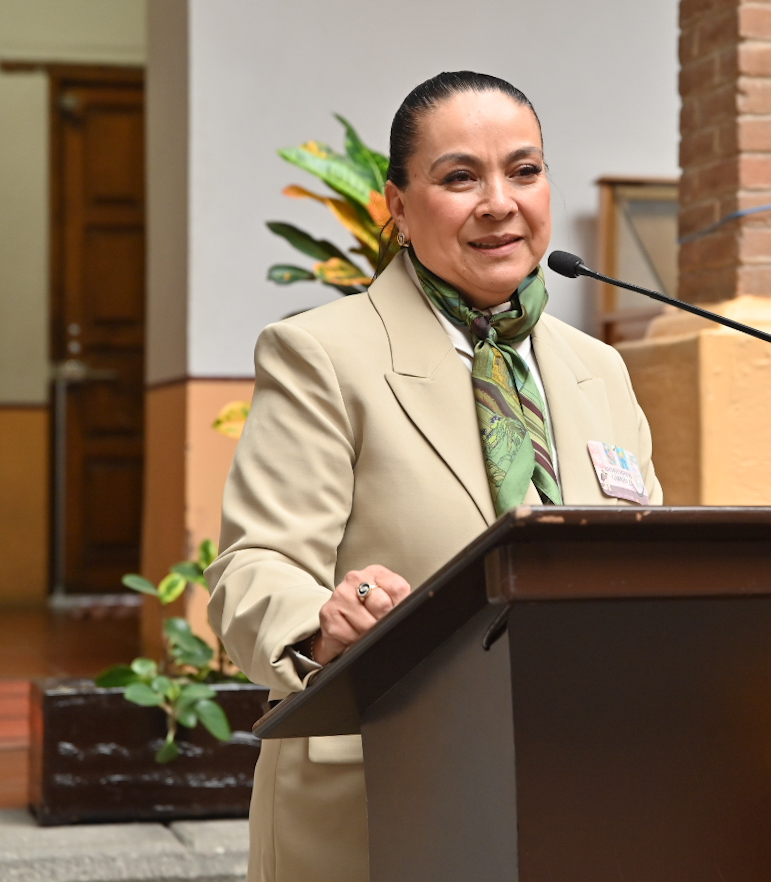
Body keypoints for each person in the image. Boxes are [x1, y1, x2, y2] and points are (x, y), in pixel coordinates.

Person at [207, 71, 662, 882]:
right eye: (459, 178)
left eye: (524, 171)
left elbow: (649, 567)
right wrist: (319, 624)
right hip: (388, 797)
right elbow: (252, 568)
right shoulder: (324, 355)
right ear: (398, 205)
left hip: (575, 787)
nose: (499, 203)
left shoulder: (600, 371)